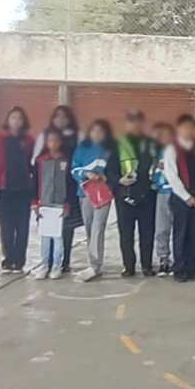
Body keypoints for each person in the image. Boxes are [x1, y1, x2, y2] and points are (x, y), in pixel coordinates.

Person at [107, 110, 158, 277]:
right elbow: (110, 169)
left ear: (143, 123)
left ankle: (147, 265)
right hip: (124, 194)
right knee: (126, 234)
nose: (135, 125)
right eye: (131, 121)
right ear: (126, 124)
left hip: (147, 195)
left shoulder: (151, 143)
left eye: (138, 121)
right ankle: (128, 266)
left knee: (147, 233)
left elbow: (156, 165)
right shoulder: (117, 144)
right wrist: (119, 180)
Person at [34, 105, 82, 272]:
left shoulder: (77, 135)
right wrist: (35, 200)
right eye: (57, 116)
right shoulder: (44, 139)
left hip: (68, 189)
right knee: (47, 231)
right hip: (47, 193)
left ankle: (63, 262)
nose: (60, 119)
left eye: (64, 116)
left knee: (66, 228)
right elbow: (35, 165)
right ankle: (46, 262)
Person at [163, 115, 195, 282]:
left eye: (191, 127)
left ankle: (193, 267)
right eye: (185, 128)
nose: (188, 131)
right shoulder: (172, 149)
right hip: (181, 199)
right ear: (179, 129)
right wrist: (187, 197)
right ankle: (180, 268)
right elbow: (172, 176)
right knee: (181, 233)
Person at [0, 106, 34, 273]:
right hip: (4, 189)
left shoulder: (29, 141)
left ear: (24, 122)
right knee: (6, 227)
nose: (16, 121)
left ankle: (20, 260)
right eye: (13, 118)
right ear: (8, 120)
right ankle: (8, 258)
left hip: (24, 190)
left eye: (20, 118)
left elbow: (33, 164)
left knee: (22, 227)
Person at [72, 120, 113, 282]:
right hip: (85, 193)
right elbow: (74, 169)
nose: (97, 134)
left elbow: (115, 171)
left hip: (103, 193)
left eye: (101, 131)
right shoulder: (82, 149)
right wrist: (86, 174)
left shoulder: (110, 150)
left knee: (98, 228)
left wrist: (106, 177)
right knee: (89, 227)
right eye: (94, 130)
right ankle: (93, 263)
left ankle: (95, 266)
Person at [32, 128, 69, 280]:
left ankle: (56, 267)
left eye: (56, 141)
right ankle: (44, 266)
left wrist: (67, 204)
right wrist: (34, 203)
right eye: (50, 141)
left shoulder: (66, 160)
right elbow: (34, 182)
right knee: (45, 238)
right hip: (44, 205)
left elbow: (70, 184)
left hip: (60, 205)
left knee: (58, 238)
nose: (53, 144)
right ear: (46, 143)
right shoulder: (40, 160)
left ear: (61, 142)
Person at [151, 123, 176, 275]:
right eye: (162, 135)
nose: (165, 138)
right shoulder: (156, 154)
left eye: (167, 135)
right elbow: (152, 173)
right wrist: (155, 182)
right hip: (162, 193)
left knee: (178, 228)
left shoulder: (179, 153)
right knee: (162, 228)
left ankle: (179, 258)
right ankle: (163, 259)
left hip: (178, 194)